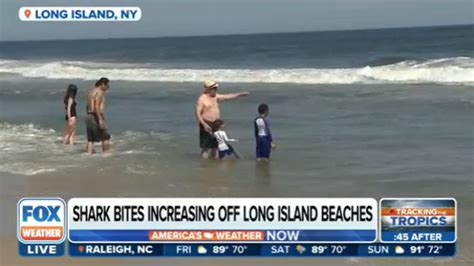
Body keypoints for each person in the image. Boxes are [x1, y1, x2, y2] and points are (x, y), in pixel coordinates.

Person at [195, 80, 249, 159]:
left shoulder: (216, 97)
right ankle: (204, 167)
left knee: (215, 147)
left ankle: (214, 166)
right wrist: (204, 124)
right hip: (206, 124)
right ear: (209, 89)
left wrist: (239, 94)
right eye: (214, 88)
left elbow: (228, 96)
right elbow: (197, 114)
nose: (216, 90)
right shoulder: (202, 99)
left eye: (216, 88)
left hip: (216, 125)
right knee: (206, 147)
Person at [85, 77, 111, 154]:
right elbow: (96, 106)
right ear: (102, 84)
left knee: (90, 139)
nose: (107, 87)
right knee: (106, 137)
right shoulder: (99, 92)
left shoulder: (91, 91)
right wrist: (100, 119)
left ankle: (88, 155)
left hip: (89, 115)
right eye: (107, 85)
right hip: (95, 116)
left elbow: (87, 105)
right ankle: (106, 155)